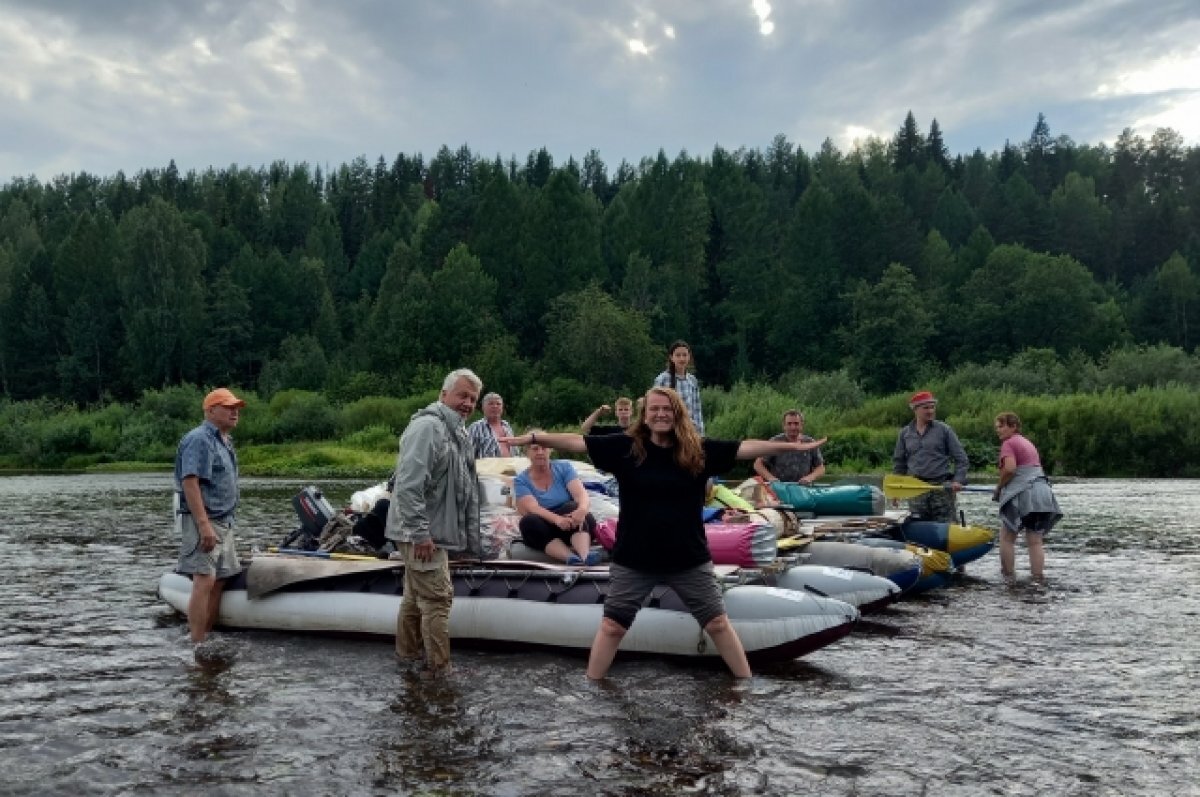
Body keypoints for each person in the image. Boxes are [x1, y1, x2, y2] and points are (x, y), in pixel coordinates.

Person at [499, 386, 827, 680]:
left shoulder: (697, 450)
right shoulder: (626, 447)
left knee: (717, 623)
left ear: (677, 414)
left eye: (667, 409)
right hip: (635, 559)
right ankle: (594, 686)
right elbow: (576, 442)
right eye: (654, 409)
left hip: (687, 558)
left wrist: (793, 448)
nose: (660, 414)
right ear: (645, 415)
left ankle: (744, 685)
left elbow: (744, 448)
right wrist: (533, 438)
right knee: (612, 626)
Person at [386, 368, 484, 678]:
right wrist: (420, 533)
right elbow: (408, 485)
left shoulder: (459, 431)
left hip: (433, 532)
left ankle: (408, 661)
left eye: (472, 399)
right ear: (444, 394)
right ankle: (440, 671)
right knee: (439, 599)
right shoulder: (428, 427)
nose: (467, 403)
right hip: (420, 532)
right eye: (462, 396)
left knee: (415, 600)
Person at [174, 387, 246, 644]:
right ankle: (196, 644)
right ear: (210, 410)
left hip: (225, 521)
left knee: (219, 581)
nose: (234, 411)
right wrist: (203, 525)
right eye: (228, 407)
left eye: (236, 407)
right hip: (205, 520)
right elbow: (190, 481)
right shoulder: (200, 439)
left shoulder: (224, 440)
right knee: (204, 580)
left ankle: (208, 636)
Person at [993, 412, 1062, 584]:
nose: (998, 431)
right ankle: (1038, 579)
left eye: (1001, 426)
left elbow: (1010, 469)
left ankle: (1008, 577)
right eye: (997, 427)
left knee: (1007, 537)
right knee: (1035, 541)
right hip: (1043, 493)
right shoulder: (1027, 442)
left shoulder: (1009, 443)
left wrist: (999, 487)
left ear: (1013, 426)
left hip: (1026, 494)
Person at [514, 430, 599, 565]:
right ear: (528, 453)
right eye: (535, 449)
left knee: (571, 507)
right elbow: (533, 508)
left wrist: (582, 509)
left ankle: (585, 555)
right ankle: (569, 558)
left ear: (550, 450)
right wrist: (557, 520)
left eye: (543, 447)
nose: (540, 452)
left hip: (572, 523)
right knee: (528, 521)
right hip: (546, 526)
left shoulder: (564, 468)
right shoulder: (521, 480)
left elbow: (580, 494)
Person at [892, 390, 970, 523]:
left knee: (947, 525)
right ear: (915, 410)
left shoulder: (944, 430)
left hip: (941, 488)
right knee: (919, 524)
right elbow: (899, 464)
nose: (930, 411)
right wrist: (896, 491)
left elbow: (961, 459)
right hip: (916, 488)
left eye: (932, 407)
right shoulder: (905, 433)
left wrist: (958, 480)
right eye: (926, 408)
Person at [753, 409, 827, 485]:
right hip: (780, 489)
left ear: (801, 425)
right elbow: (758, 464)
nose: (793, 427)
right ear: (784, 425)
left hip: (803, 488)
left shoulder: (810, 442)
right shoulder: (775, 442)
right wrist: (771, 478)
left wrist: (810, 478)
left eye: (796, 423)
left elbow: (821, 468)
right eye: (789, 424)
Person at [654, 340, 704, 436]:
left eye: (684, 355)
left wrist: (700, 434)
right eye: (678, 355)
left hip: (688, 431)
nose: (682, 358)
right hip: (668, 430)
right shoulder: (662, 379)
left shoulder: (692, 380)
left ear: (689, 357)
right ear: (671, 357)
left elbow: (697, 411)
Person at [467, 392, 520, 458]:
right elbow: (467, 455)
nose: (495, 406)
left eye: (498, 404)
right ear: (483, 407)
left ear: (502, 408)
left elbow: (515, 451)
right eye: (490, 404)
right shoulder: (475, 427)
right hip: (486, 467)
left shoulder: (506, 426)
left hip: (511, 466)